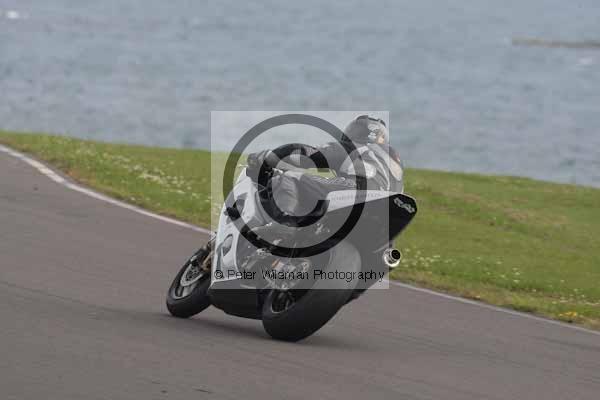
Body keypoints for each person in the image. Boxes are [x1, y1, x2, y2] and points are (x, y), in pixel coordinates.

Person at [247, 115, 404, 224]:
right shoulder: (395, 161)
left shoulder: (355, 147)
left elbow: (308, 155)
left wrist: (270, 156)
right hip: (390, 209)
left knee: (291, 177)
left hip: (359, 190)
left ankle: (284, 223)